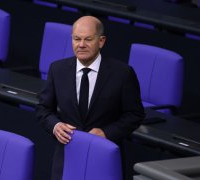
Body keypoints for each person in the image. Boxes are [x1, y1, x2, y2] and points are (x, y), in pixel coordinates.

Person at [36, 16, 145, 180]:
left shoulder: (122, 73)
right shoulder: (57, 70)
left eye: (88, 39)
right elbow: (43, 108)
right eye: (76, 39)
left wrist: (106, 133)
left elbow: (135, 114)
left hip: (105, 156)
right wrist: (55, 125)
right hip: (67, 155)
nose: (81, 45)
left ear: (101, 41)